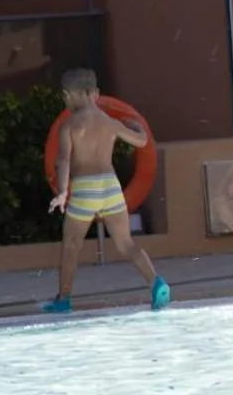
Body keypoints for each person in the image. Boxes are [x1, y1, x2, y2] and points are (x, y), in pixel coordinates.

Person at [42, 68, 170, 312]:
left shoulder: (69, 125)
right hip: (111, 187)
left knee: (71, 246)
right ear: (96, 94)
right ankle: (156, 282)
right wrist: (137, 126)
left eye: (65, 96)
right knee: (126, 243)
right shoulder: (110, 123)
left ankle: (63, 300)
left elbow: (64, 160)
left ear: (71, 95)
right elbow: (142, 141)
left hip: (85, 190)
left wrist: (61, 193)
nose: (65, 100)